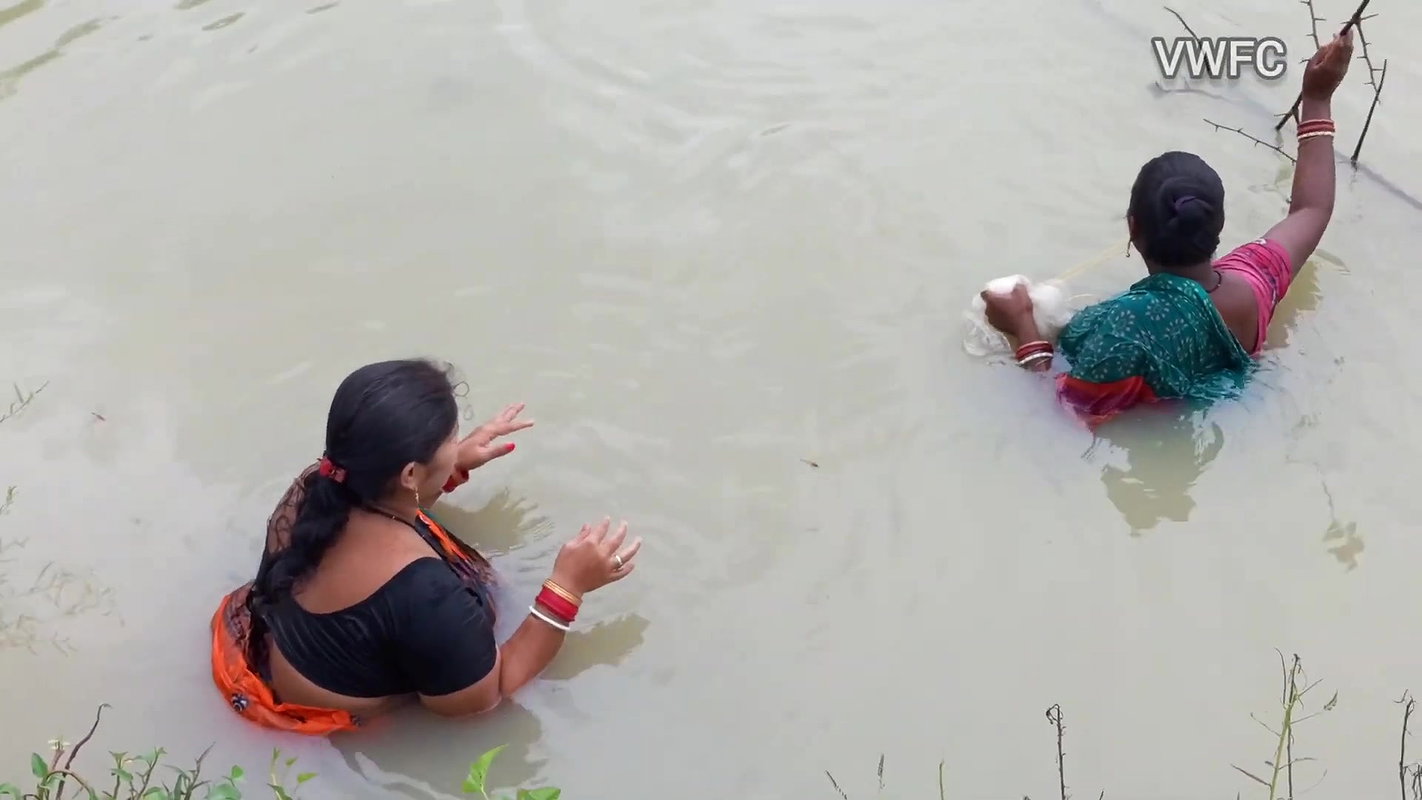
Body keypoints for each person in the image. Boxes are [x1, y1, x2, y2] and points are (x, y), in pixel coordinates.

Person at [210, 359, 642, 734]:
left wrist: (446, 468)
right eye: (452, 439)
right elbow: (484, 699)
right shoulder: (424, 594)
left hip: (281, 655)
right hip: (348, 722)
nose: (458, 444)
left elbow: (381, 509)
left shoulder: (313, 486)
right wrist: (568, 586)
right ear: (409, 474)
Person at [981, 31, 1354, 426]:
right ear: (1218, 225)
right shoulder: (1254, 280)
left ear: (1132, 227)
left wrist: (1022, 326)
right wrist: (1317, 97)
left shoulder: (1123, 332)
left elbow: (1063, 415)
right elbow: (1312, 209)